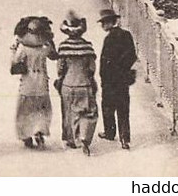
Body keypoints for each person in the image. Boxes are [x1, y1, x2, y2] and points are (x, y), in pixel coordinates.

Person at [55, 11, 99, 155]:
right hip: (84, 83)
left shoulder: (63, 46)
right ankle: (84, 139)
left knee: (69, 113)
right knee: (88, 112)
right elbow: (92, 68)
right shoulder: (87, 47)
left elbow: (60, 68)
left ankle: (71, 140)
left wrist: (61, 78)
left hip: (68, 84)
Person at [10, 17, 58, 148]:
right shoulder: (44, 48)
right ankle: (40, 130)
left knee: (25, 110)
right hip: (42, 81)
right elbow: (54, 55)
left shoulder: (23, 49)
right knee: (41, 108)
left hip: (27, 82)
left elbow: (14, 63)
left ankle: (26, 135)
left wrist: (13, 48)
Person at [97, 9, 137, 150]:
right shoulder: (126, 35)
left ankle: (109, 132)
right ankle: (125, 139)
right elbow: (132, 55)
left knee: (108, 107)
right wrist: (123, 68)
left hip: (110, 80)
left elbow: (105, 61)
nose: (102, 26)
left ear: (109, 23)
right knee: (123, 108)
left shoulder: (109, 39)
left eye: (103, 23)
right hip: (122, 79)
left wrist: (106, 74)